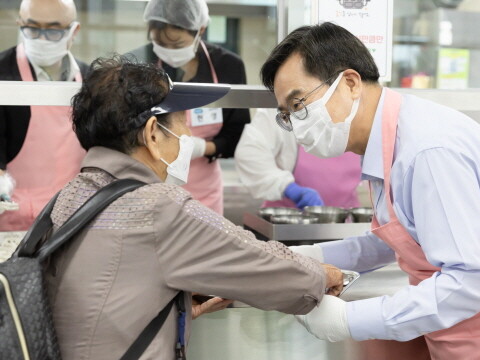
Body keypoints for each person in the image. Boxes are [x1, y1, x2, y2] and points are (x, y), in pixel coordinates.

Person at [260, 22, 480, 359]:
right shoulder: (388, 140)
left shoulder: (426, 151)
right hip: (460, 328)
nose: (297, 124)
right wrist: (308, 258)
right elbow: (399, 240)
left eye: (299, 104)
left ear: (349, 83)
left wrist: (349, 319)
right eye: (287, 115)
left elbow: (472, 282)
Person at [44, 55, 343, 359]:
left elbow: (103, 295)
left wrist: (173, 307)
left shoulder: (69, 196)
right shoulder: (158, 207)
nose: (187, 137)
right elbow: (258, 260)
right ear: (153, 134)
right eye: (182, 124)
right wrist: (324, 275)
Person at [127, 0, 250, 214]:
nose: (168, 51)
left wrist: (201, 147)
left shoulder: (228, 66)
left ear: (200, 30)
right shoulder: (137, 64)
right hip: (150, 187)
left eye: (176, 45)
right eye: (160, 44)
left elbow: (236, 134)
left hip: (204, 192)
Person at [0, 0, 88, 230]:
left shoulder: (92, 80)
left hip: (74, 219)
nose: (41, 38)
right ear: (20, 24)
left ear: (74, 30)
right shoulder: (2, 75)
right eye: (32, 28)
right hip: (12, 222)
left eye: (53, 30)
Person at [235, 108, 362, 209]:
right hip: (289, 220)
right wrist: (287, 187)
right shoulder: (284, 109)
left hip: (343, 221)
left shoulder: (359, 112)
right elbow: (251, 153)